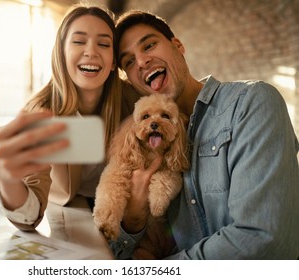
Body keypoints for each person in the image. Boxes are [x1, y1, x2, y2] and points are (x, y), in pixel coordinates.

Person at [110, 10, 299, 259]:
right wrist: (132, 221)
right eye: (129, 62)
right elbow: (125, 252)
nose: (142, 61)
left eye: (149, 45)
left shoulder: (251, 103)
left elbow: (262, 240)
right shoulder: (147, 143)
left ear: (178, 46)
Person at [0, 4, 140, 231]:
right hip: (70, 217)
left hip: (124, 215)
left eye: (103, 44)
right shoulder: (41, 113)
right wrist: (9, 181)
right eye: (79, 41)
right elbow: (29, 217)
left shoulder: (134, 102)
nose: (91, 51)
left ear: (113, 62)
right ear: (61, 53)